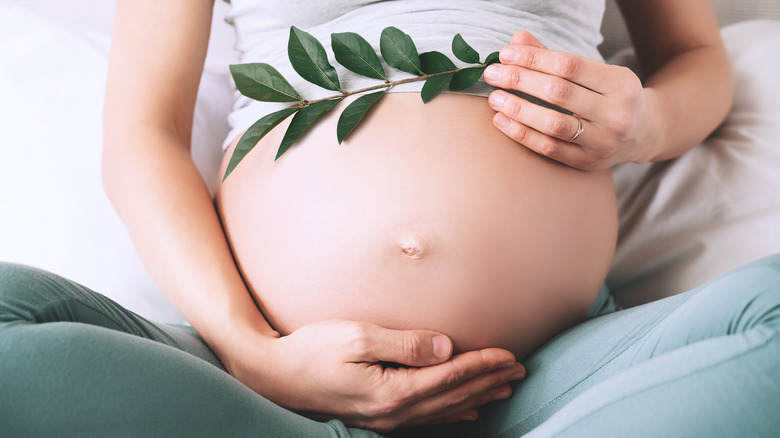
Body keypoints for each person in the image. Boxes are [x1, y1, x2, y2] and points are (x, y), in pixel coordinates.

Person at [1, 1, 777, 437]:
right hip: (270, 399)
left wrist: (645, 122)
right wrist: (252, 352)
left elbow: (692, 57)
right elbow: (143, 136)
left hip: (552, 384)